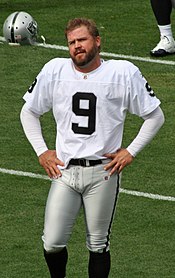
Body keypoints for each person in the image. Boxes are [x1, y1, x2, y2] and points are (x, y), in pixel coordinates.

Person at [20, 18, 165, 278]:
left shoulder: (122, 73)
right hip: (64, 172)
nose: (77, 46)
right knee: (52, 242)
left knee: (98, 245)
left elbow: (155, 116)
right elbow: (28, 111)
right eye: (72, 42)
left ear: (97, 41)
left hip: (102, 172)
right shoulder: (55, 70)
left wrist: (130, 151)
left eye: (82, 40)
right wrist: (42, 150)